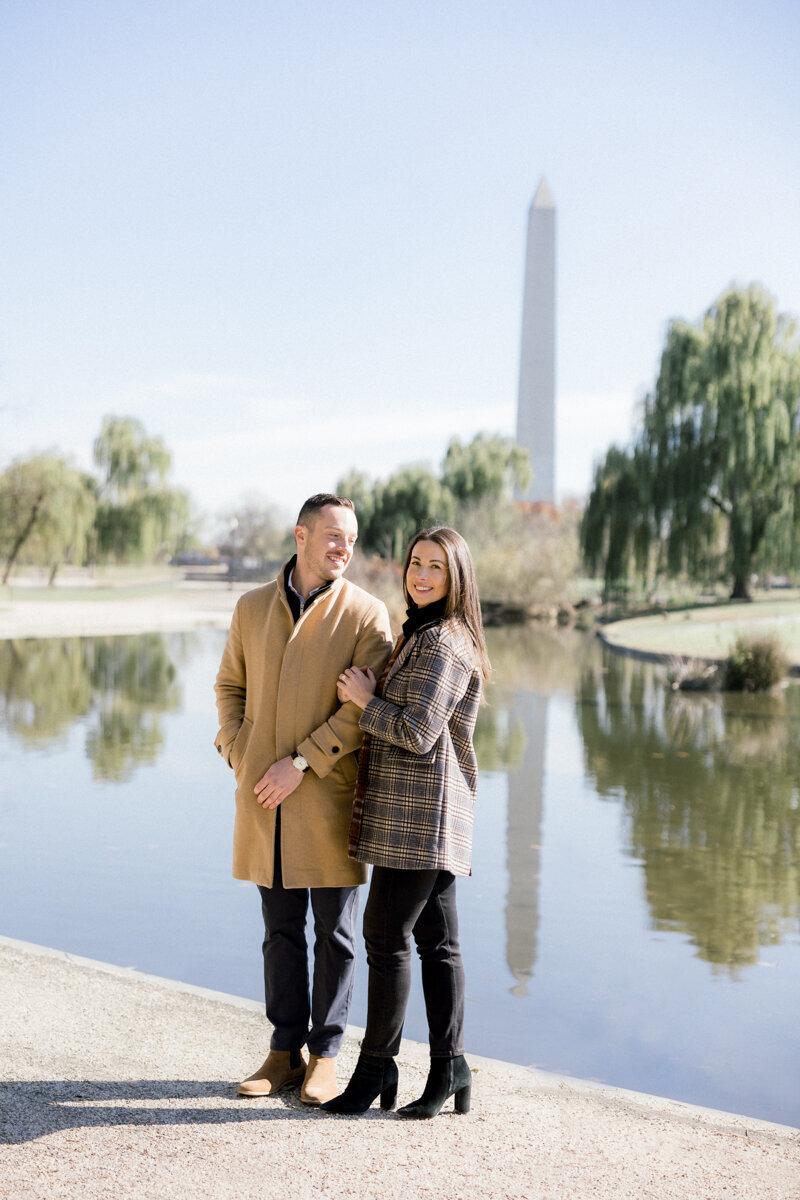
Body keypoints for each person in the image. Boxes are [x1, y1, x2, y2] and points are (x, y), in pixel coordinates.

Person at [214, 493, 393, 1105]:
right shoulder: (251, 607)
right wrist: (238, 749)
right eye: (333, 536)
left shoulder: (368, 616)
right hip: (262, 797)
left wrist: (300, 763)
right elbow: (228, 686)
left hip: (327, 797)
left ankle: (326, 1056)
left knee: (336, 935)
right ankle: (282, 1052)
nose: (344, 548)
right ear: (301, 536)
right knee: (280, 932)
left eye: (352, 538)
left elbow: (360, 713)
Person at [321, 526, 490, 1119]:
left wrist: (367, 703)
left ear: (456, 577)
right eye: (415, 564)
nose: (419, 576)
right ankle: (451, 1067)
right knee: (437, 944)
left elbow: (419, 733)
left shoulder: (443, 642)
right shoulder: (425, 632)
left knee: (383, 935)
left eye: (435, 568)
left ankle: (375, 1069)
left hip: (421, 818)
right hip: (424, 814)